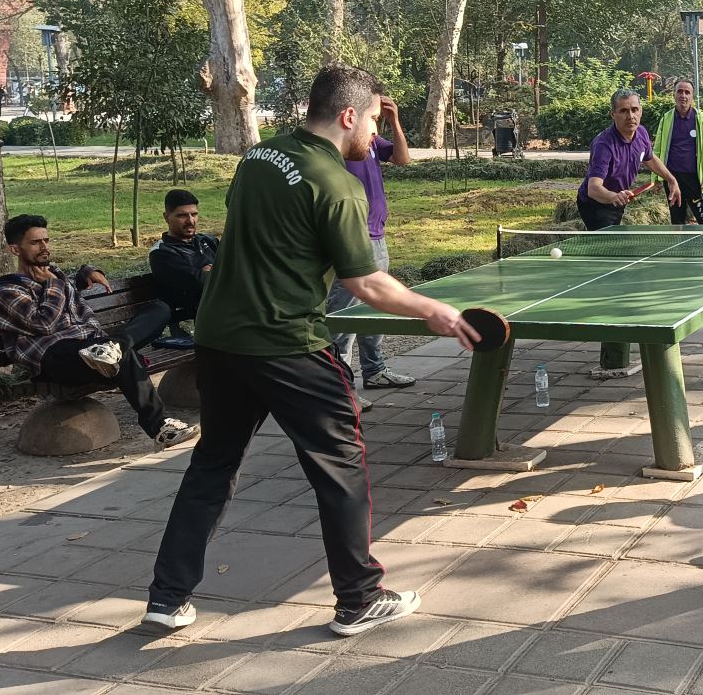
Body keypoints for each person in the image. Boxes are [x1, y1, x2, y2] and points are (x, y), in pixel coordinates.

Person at [145, 66, 484, 638]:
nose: (376, 133)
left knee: (213, 464)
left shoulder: (258, 157)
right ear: (349, 115)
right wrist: (435, 310)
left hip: (220, 339)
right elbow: (366, 282)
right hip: (286, 343)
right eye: (373, 120)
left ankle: (167, 597)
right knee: (342, 465)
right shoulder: (338, 184)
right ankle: (359, 598)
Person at [0, 215, 200, 448]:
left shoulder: (56, 277)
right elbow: (44, 324)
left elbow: (75, 281)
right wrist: (54, 284)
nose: (44, 247)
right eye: (35, 242)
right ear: (15, 249)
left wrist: (88, 271)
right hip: (55, 357)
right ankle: (160, 428)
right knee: (122, 355)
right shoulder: (6, 292)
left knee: (159, 309)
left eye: (46, 240)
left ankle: (114, 345)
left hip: (92, 348)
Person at [324, 93, 415, 395]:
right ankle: (340, 387)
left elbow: (402, 159)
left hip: (377, 236)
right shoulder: (338, 144)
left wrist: (394, 120)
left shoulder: (371, 140)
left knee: (375, 309)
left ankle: (374, 371)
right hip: (351, 238)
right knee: (344, 317)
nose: (376, 123)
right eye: (374, 117)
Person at [576, 90, 682, 231]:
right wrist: (614, 197)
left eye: (634, 110)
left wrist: (671, 180)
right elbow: (593, 189)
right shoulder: (603, 145)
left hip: (618, 199)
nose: (631, 116)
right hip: (595, 204)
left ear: (640, 111)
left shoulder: (641, 133)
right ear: (613, 114)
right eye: (624, 111)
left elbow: (649, 158)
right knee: (606, 242)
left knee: (615, 236)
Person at [149, 189, 219, 343]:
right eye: (182, 215)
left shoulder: (208, 241)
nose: (190, 221)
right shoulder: (161, 253)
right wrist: (217, 269)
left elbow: (237, 267)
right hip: (201, 322)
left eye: (194, 214)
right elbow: (201, 282)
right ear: (166, 217)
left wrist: (208, 271)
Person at [652, 80, 703, 224]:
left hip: (694, 179)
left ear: (692, 96)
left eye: (687, 92)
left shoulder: (702, 120)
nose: (683, 95)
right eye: (680, 91)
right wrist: (656, 177)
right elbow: (658, 150)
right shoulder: (666, 119)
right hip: (672, 178)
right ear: (674, 94)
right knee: (677, 221)